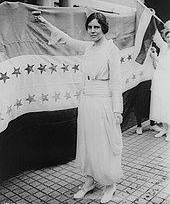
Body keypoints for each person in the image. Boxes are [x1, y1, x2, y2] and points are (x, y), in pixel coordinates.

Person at [33, 12, 123, 203]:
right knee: (88, 143)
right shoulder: (88, 48)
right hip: (87, 102)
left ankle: (110, 185)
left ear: (103, 28)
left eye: (96, 27)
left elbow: (116, 82)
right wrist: (44, 22)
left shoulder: (111, 50)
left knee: (105, 144)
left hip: (104, 102)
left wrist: (117, 110)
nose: (92, 31)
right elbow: (67, 40)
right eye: (90, 27)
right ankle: (89, 182)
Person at [149, 20, 170, 141]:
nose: (169, 38)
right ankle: (164, 128)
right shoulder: (164, 48)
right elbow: (156, 37)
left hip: (168, 81)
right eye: (167, 35)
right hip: (160, 80)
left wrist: (155, 57)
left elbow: (166, 66)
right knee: (161, 104)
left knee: (168, 105)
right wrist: (150, 17)